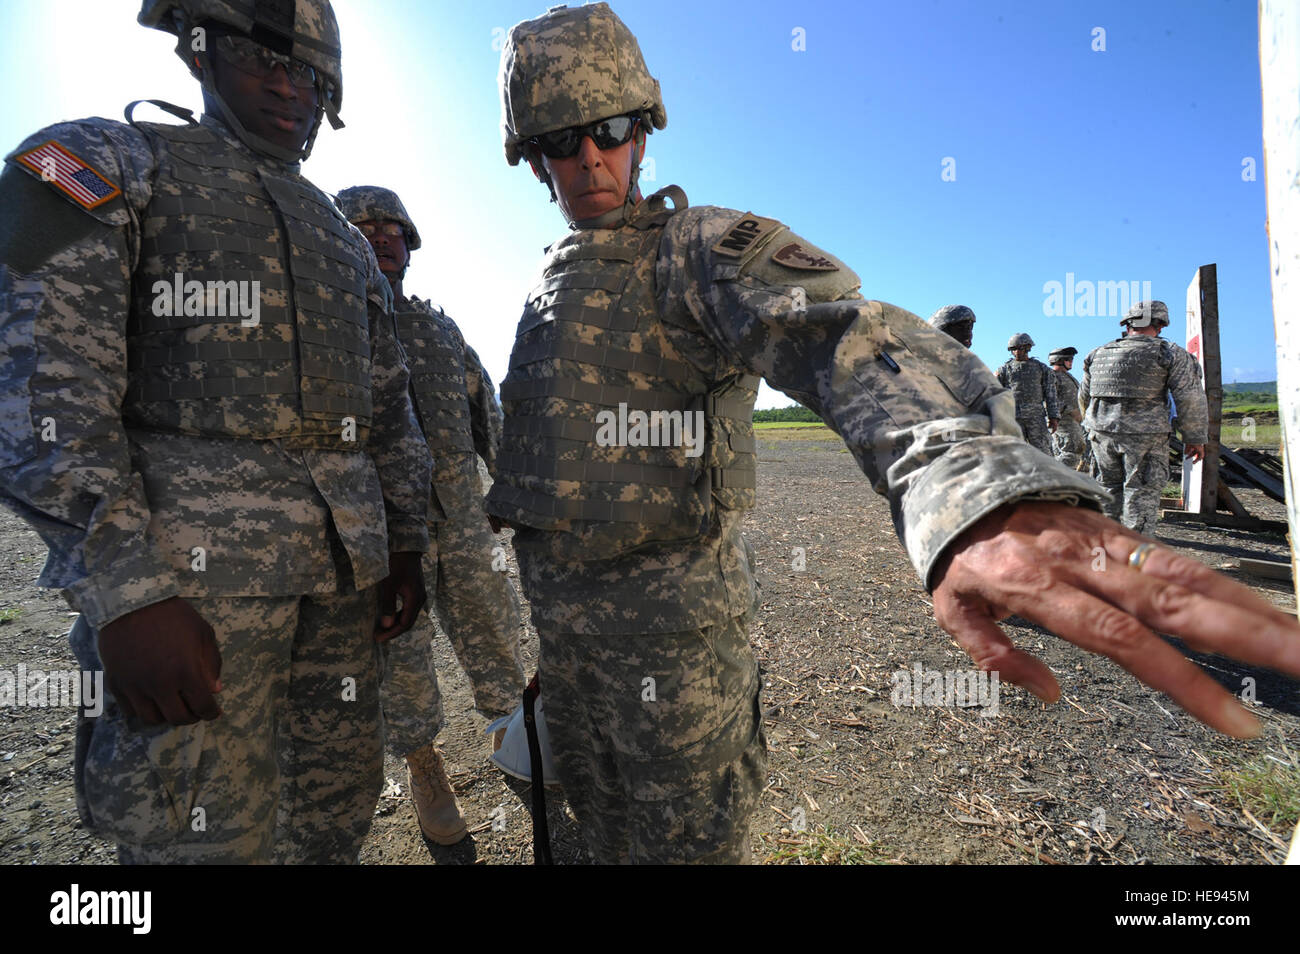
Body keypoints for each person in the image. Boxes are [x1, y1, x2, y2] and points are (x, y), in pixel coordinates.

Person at [487, 2, 1300, 864]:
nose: (588, 157)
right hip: (571, 660)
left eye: (608, 128)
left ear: (643, 133)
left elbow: (846, 333)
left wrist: (967, 490)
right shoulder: (551, 281)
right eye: (559, 138)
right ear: (531, 158)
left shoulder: (695, 249)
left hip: (670, 658)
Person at [0, 0, 432, 864]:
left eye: (309, 72)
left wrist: (407, 548)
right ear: (198, 50)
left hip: (344, 599)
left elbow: (389, 411)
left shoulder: (344, 241)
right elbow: (39, 377)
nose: (286, 82)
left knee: (331, 828)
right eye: (259, 53)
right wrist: (129, 591)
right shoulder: (99, 161)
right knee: (197, 844)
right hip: (189, 602)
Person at [337, 185, 526, 845]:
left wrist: (507, 485)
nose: (384, 235)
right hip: (383, 532)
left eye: (395, 227)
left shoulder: (439, 324)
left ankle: (517, 742)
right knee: (400, 658)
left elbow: (485, 401)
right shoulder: (328, 322)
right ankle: (425, 768)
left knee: (496, 634)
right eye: (365, 225)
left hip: (463, 520)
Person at [1080, 300, 1208, 534]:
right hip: (1145, 439)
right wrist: (1194, 437)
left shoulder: (1097, 354)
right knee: (1140, 497)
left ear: (1128, 324)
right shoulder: (1170, 354)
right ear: (1160, 325)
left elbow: (1084, 398)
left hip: (1101, 435)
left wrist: (1092, 427)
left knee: (1106, 491)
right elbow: (1189, 398)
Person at [996, 333, 1059, 455]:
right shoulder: (1004, 370)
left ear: (1028, 348)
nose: (1017, 352)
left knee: (1043, 453)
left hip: (1036, 419)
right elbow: (996, 394)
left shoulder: (1041, 368)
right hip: (1013, 418)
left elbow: (1050, 394)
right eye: (1013, 349)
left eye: (1020, 348)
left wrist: (1053, 417)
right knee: (1014, 454)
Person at [1048, 347, 1089, 472]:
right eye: (1068, 359)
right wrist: (1070, 410)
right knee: (1073, 451)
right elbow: (1049, 399)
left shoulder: (1068, 376)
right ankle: (1053, 476)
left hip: (1074, 421)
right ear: (1058, 360)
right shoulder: (1052, 376)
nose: (1071, 361)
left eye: (1071, 359)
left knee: (1069, 452)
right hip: (1063, 420)